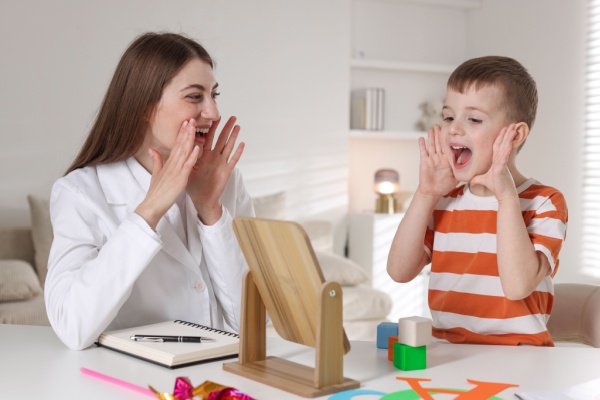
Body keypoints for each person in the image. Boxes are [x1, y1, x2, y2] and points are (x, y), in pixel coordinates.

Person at [44, 32, 254, 350]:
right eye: (195, 97)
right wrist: (149, 211)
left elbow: (253, 323)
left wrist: (210, 210)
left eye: (214, 95)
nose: (213, 113)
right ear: (144, 106)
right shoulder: (80, 193)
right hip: (127, 376)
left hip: (213, 370)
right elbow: (72, 326)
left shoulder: (225, 180)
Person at [387, 56, 568, 346]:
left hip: (520, 353)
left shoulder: (544, 202)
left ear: (516, 135)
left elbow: (517, 286)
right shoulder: (444, 201)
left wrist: (507, 199)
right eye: (448, 117)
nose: (454, 129)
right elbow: (399, 271)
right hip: (449, 350)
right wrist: (426, 194)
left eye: (473, 119)